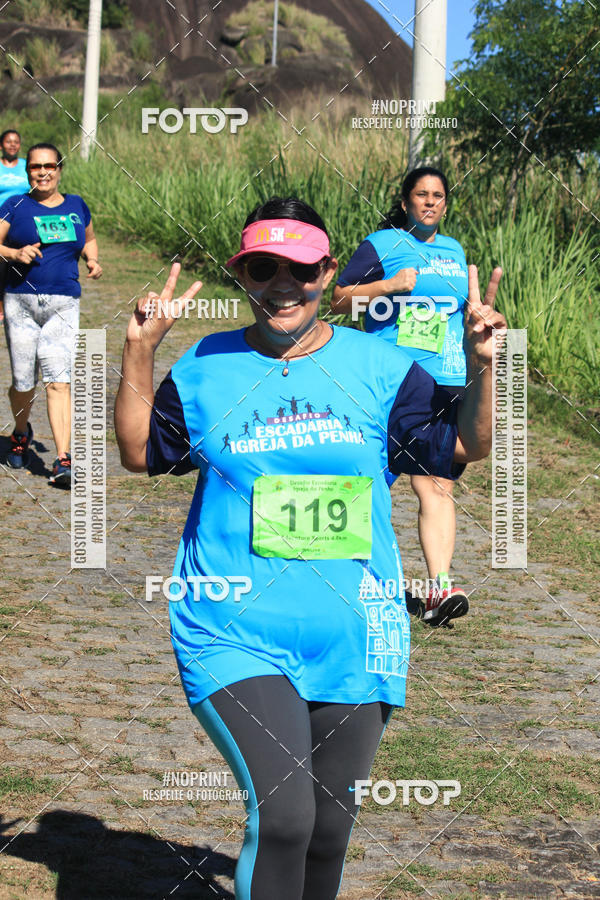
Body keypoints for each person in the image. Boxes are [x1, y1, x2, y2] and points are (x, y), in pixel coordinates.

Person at [115, 196, 504, 900]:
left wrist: (481, 366)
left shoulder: (384, 368)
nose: (281, 284)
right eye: (263, 269)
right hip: (232, 628)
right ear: (244, 276)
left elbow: (464, 447)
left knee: (329, 831)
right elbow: (141, 450)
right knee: (287, 814)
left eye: (299, 268)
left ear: (327, 272)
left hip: (357, 630)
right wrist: (138, 353)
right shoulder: (206, 366)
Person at [332, 167, 471, 627]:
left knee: (437, 483)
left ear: (445, 204)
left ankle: (439, 589)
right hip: (390, 381)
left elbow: (459, 312)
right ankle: (332, 576)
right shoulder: (382, 244)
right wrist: (388, 287)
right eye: (421, 195)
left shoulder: (454, 251)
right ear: (407, 201)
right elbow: (339, 300)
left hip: (446, 380)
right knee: (369, 479)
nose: (429, 202)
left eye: (437, 196)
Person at [0, 142, 102, 485]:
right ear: (27, 171)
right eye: (35, 167)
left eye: (50, 166)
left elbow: (88, 237)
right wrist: (15, 253)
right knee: (24, 382)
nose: (43, 172)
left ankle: (63, 459)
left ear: (59, 169)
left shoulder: (76, 206)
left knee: (58, 380)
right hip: (20, 303)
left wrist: (92, 258)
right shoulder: (15, 205)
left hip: (64, 302)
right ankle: (19, 432)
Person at [0, 130, 30, 323]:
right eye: (8, 142)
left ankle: (20, 302)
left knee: (19, 262)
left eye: (16, 142)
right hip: (0, 221)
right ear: (1, 145)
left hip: (21, 219)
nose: (12, 145)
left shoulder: (27, 167)